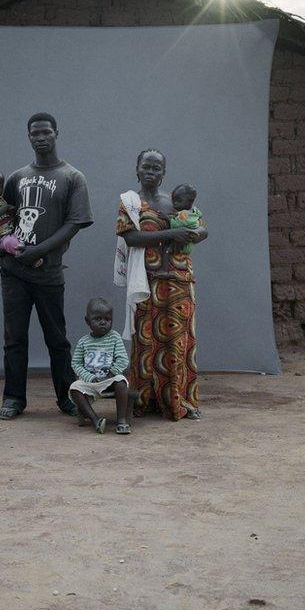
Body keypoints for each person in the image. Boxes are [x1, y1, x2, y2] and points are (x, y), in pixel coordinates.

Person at [0, 113, 93, 420]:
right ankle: (13, 398)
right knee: (14, 337)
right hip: (13, 272)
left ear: (56, 133)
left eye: (46, 132)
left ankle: (67, 397)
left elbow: (75, 222)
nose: (41, 137)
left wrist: (38, 250)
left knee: (57, 339)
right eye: (35, 133)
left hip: (48, 272)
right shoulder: (17, 177)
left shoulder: (73, 177)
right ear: (29, 137)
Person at [116, 150, 208, 421]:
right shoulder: (131, 203)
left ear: (164, 173)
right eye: (146, 166)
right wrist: (172, 234)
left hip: (179, 280)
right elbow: (130, 237)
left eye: (157, 168)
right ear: (136, 169)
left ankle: (181, 401)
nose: (151, 172)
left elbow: (202, 226)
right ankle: (144, 399)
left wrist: (197, 234)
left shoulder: (176, 200)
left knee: (178, 342)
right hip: (147, 281)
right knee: (146, 341)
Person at [69, 298, 131, 435]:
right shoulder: (83, 342)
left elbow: (123, 359)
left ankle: (121, 420)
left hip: (109, 379)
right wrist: (89, 377)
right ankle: (95, 419)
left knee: (121, 382)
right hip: (90, 381)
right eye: (97, 319)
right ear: (87, 321)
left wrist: (112, 373)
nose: (103, 322)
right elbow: (76, 363)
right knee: (74, 388)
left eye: (107, 319)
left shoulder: (114, 337)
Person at [170, 183, 202, 255]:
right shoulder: (194, 210)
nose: (174, 203)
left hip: (183, 246)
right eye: (173, 200)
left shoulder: (183, 214)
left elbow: (176, 225)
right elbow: (200, 215)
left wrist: (168, 218)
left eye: (178, 201)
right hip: (190, 245)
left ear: (190, 201)